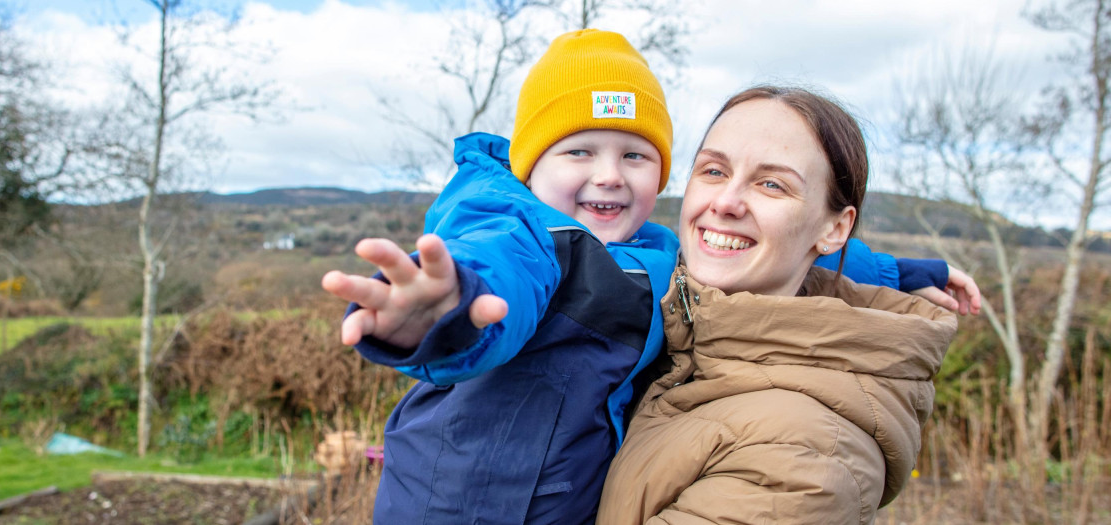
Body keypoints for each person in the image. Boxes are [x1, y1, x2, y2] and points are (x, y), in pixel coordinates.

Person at [322, 31, 975, 524]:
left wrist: (906, 272)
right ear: (529, 167)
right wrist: (445, 310)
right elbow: (500, 275)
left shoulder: (656, 253)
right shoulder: (523, 230)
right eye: (580, 151)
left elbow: (807, 250)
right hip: (463, 501)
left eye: (634, 155)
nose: (609, 174)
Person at [596, 86, 962, 524]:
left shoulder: (804, 460)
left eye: (772, 184)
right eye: (714, 170)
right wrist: (895, 273)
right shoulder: (677, 328)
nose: (725, 202)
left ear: (834, 230)